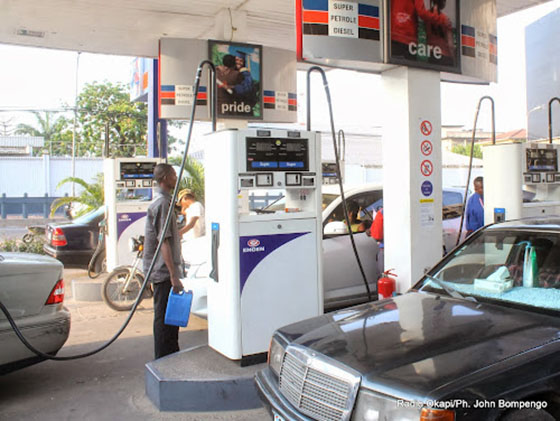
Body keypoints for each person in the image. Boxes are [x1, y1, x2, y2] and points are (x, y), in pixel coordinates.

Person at [143, 163, 184, 359]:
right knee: (164, 320)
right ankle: (163, 359)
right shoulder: (161, 204)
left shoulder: (164, 202)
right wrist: (173, 275)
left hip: (164, 271)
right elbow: (164, 242)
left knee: (170, 319)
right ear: (165, 178)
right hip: (162, 272)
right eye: (174, 174)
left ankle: (171, 355)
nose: (176, 178)